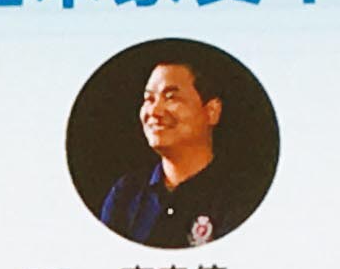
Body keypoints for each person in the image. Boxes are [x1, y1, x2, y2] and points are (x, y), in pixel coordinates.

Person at [98, 56, 247, 249]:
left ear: (212, 111)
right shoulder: (126, 194)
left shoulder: (240, 196)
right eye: (149, 99)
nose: (154, 111)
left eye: (170, 97)